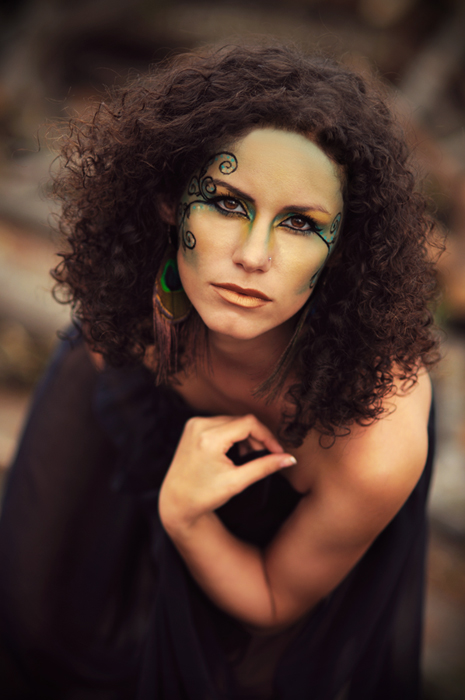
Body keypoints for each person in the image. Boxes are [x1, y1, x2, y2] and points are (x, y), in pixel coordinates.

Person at [0, 43, 440, 700]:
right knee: (32, 611)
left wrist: (186, 516)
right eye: (228, 204)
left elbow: (271, 600)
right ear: (168, 201)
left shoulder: (373, 432)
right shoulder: (132, 298)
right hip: (127, 383)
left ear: (342, 250)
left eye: (300, 223)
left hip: (254, 573)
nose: (252, 256)